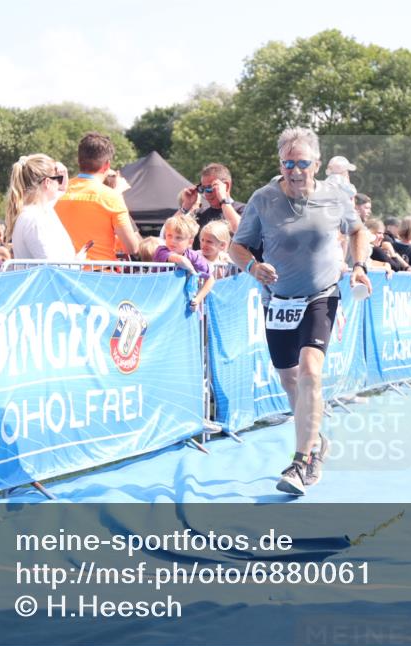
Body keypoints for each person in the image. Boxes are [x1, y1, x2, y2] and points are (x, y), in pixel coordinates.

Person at [229, 127, 371, 496]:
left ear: (317, 164)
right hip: (277, 302)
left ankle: (302, 461)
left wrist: (359, 266)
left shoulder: (335, 197)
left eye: (302, 163)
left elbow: (359, 232)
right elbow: (237, 247)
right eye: (287, 163)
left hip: (320, 294)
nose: (294, 170)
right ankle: (316, 439)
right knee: (289, 379)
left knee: (310, 371)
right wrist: (252, 267)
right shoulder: (263, 199)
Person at [54, 132, 140, 263]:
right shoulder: (112, 197)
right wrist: (119, 195)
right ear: (107, 165)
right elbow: (132, 248)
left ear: (79, 161)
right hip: (100, 277)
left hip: (64, 274)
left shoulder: (57, 192)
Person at [5, 153, 77, 261]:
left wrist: (62, 181)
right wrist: (77, 263)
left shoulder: (37, 212)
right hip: (50, 277)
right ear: (47, 182)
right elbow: (50, 265)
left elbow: (60, 192)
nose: (59, 184)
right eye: (58, 179)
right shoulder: (34, 218)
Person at [155, 213, 215, 311]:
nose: (172, 241)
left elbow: (211, 279)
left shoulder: (193, 255)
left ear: (190, 242)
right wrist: (192, 271)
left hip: (181, 305)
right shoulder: (161, 251)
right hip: (161, 303)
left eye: (178, 238)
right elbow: (181, 260)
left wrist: (198, 299)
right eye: (169, 235)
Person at [178, 163, 245, 245]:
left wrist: (223, 200)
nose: (207, 193)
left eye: (210, 188)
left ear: (226, 186)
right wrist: (186, 206)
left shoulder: (243, 209)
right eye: (203, 188)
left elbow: (241, 230)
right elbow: (168, 233)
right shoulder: (199, 214)